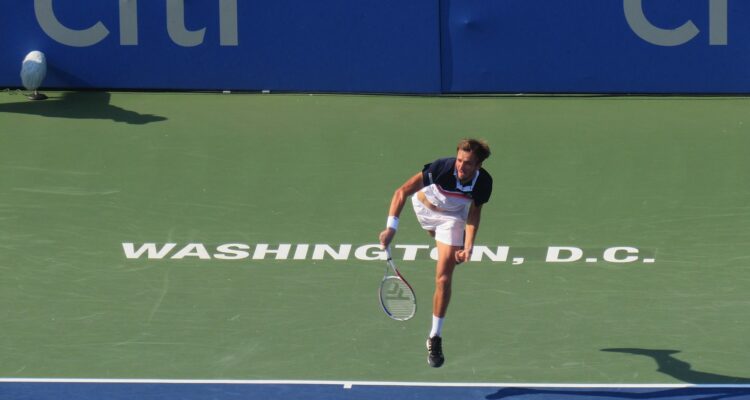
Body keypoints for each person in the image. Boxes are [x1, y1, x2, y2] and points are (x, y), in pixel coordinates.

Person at [379, 138, 493, 368]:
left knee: (444, 277)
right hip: (423, 209)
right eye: (460, 160)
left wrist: (469, 244)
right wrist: (391, 227)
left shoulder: (484, 183)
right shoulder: (442, 168)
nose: (461, 166)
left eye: (468, 163)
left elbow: (474, 213)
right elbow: (402, 191)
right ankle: (449, 248)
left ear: (478, 166)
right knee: (449, 255)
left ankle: (435, 337)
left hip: (452, 219)